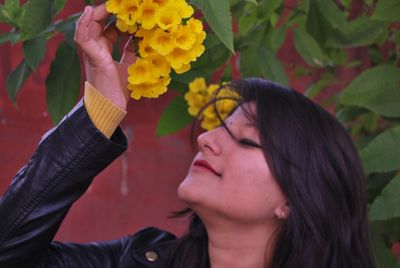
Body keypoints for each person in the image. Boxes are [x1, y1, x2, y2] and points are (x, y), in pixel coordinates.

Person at [0, 4, 376, 268]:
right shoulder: (136, 259)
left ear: (294, 201)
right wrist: (97, 113)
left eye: (246, 141)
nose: (205, 140)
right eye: (218, 127)